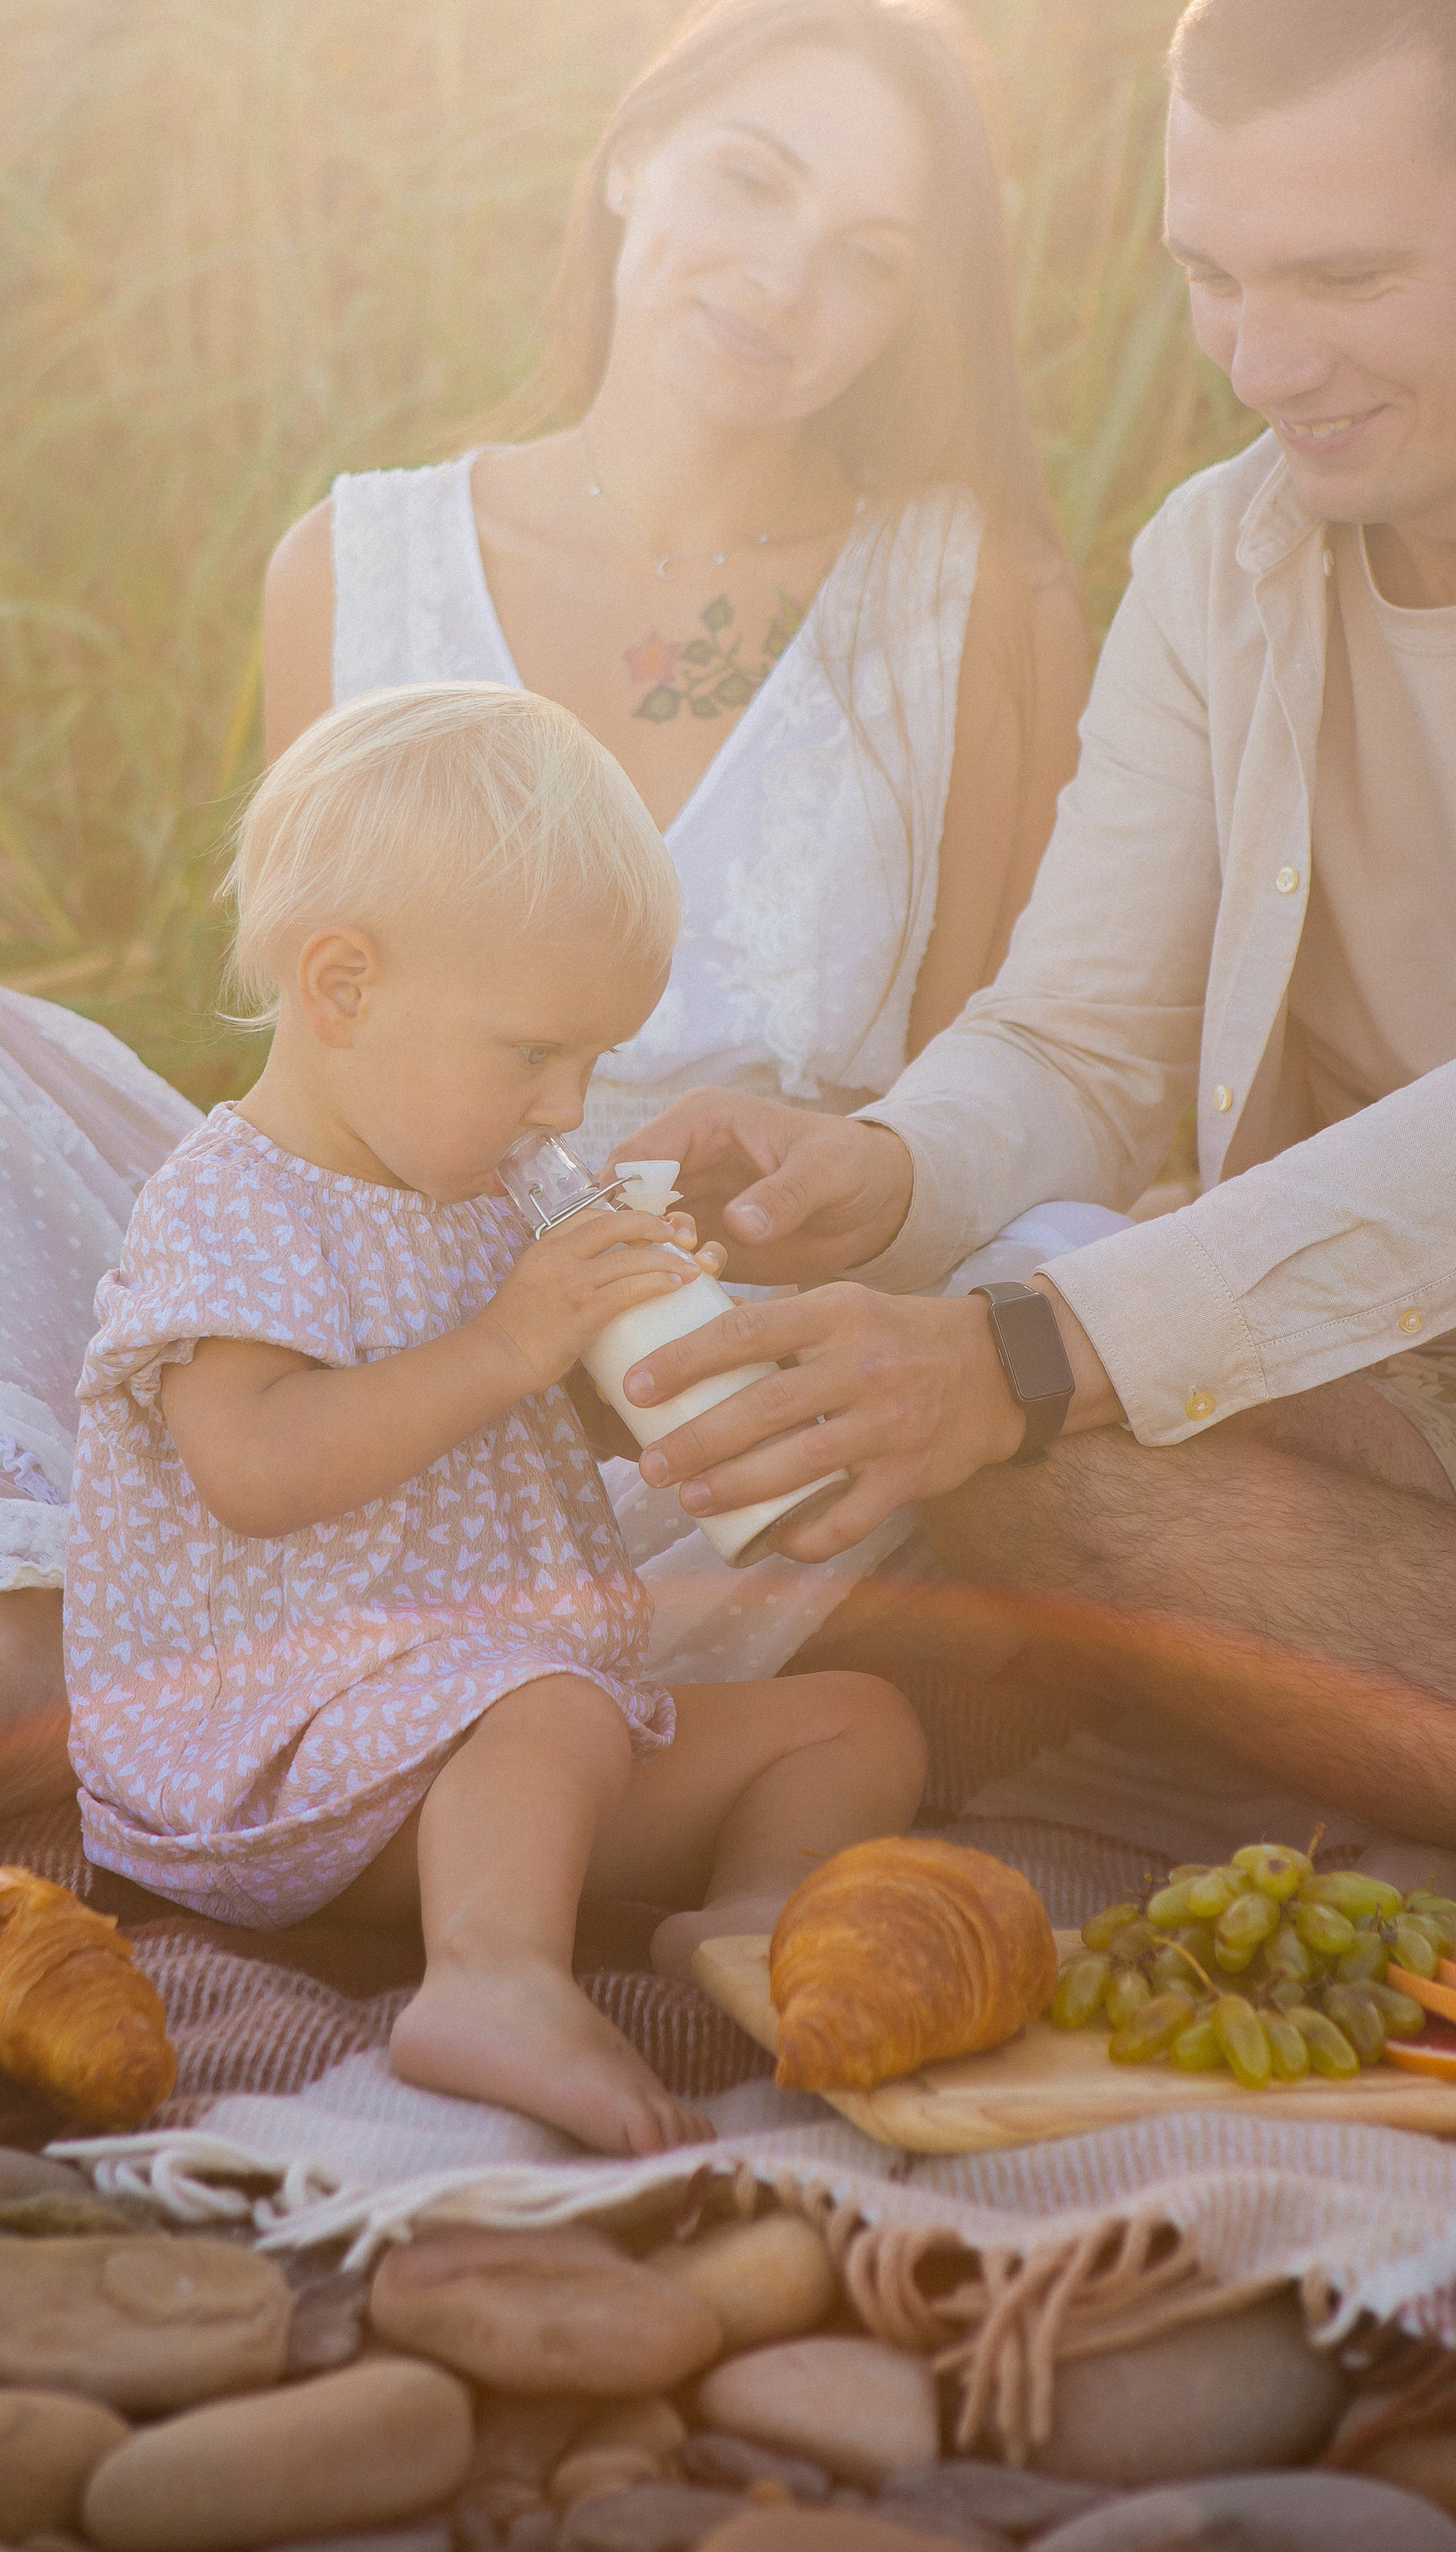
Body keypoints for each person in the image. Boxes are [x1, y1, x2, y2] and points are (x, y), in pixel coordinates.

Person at [0, 0, 1084, 1848]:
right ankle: (26, 1621)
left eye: (869, 256)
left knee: (1051, 1256)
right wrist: (425, 1326)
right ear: (628, 157)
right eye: (747, 182)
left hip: (712, 1398)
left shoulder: (973, 597)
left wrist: (763, 1241)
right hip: (363, 1339)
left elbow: (981, 1093)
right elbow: (316, 1055)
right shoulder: (357, 564)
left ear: (910, 310)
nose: (785, 282)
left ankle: (339, 1690)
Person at [607, 0, 1456, 1918]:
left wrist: (1031, 1352)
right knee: (1013, 1460)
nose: (1259, 360)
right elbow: (1078, 1039)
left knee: (1022, 1382)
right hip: (1403, 1387)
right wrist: (879, 1172)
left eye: (1342, 277)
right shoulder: (1217, 560)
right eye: (1211, 276)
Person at [66, 685, 925, 2152]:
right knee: (550, 1705)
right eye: (534, 1055)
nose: (566, 1109)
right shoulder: (235, 1203)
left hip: (498, 1746)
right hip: (291, 1752)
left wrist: (651, 1361)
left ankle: (747, 1928)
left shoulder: (474, 1190)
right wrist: (512, 1342)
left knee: (855, 1722)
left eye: (593, 1064)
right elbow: (254, 1467)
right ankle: (490, 1979)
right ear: (342, 989)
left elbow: (504, 1435)